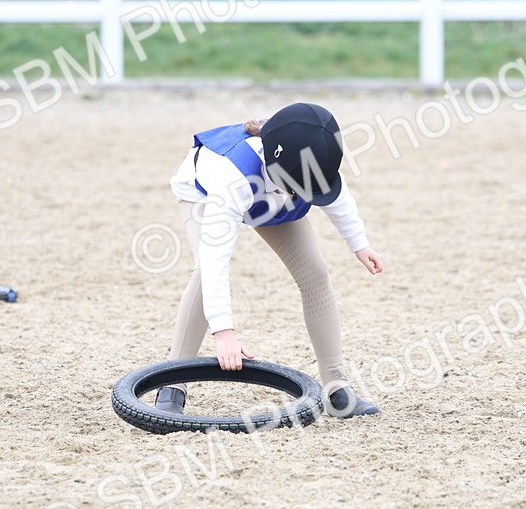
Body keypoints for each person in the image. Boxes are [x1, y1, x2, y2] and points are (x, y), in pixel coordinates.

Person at [156, 101, 384, 418]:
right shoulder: (231, 178)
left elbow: (338, 195)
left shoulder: (308, 160)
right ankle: (173, 385)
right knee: (201, 276)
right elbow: (215, 261)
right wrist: (224, 334)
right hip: (205, 195)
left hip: (272, 194)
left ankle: (336, 386)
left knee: (316, 274)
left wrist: (359, 243)